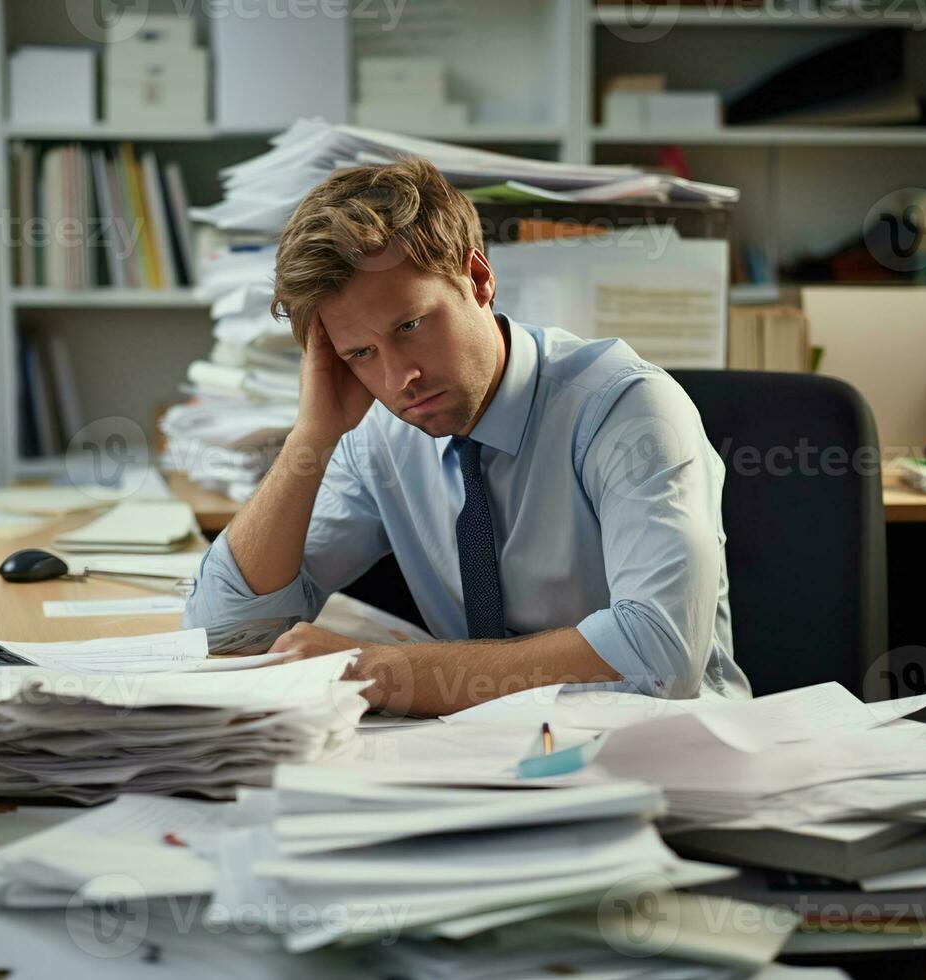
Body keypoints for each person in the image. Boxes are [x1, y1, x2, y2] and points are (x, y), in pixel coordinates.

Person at [183, 158, 749, 716]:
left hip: (674, 761)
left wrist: (380, 671)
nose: (397, 378)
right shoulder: (382, 437)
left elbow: (657, 658)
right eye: (361, 354)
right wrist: (312, 436)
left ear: (477, 280)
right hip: (483, 758)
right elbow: (226, 630)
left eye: (410, 326)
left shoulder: (629, 413)